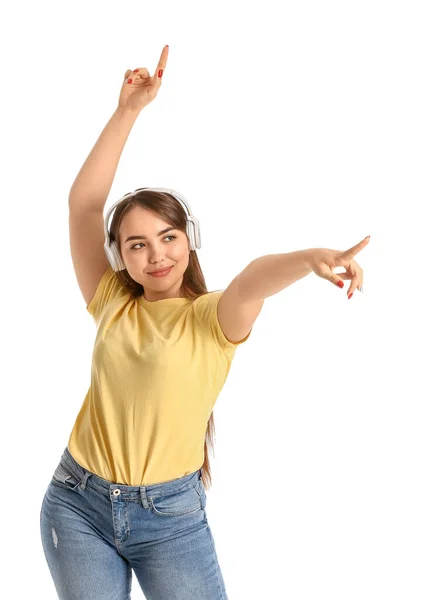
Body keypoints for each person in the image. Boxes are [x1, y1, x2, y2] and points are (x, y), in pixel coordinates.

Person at [39, 45, 369, 600]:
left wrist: (308, 257)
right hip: (78, 503)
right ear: (121, 257)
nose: (156, 255)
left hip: (170, 518)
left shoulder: (211, 320)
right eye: (137, 245)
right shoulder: (112, 300)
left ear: (188, 241)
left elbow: (253, 279)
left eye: (168, 237)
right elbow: (83, 206)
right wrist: (128, 110)